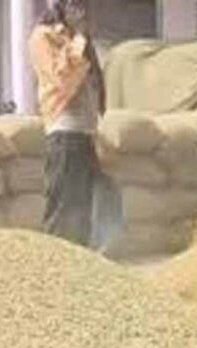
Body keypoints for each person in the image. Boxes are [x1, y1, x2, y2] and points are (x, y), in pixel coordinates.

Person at [29, 0, 120, 249]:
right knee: (64, 209)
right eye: (73, 4)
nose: (79, 10)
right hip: (65, 132)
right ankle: (54, 262)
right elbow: (63, 78)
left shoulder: (79, 37)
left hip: (86, 131)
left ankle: (79, 263)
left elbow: (94, 85)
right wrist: (79, 38)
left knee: (84, 210)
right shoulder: (43, 37)